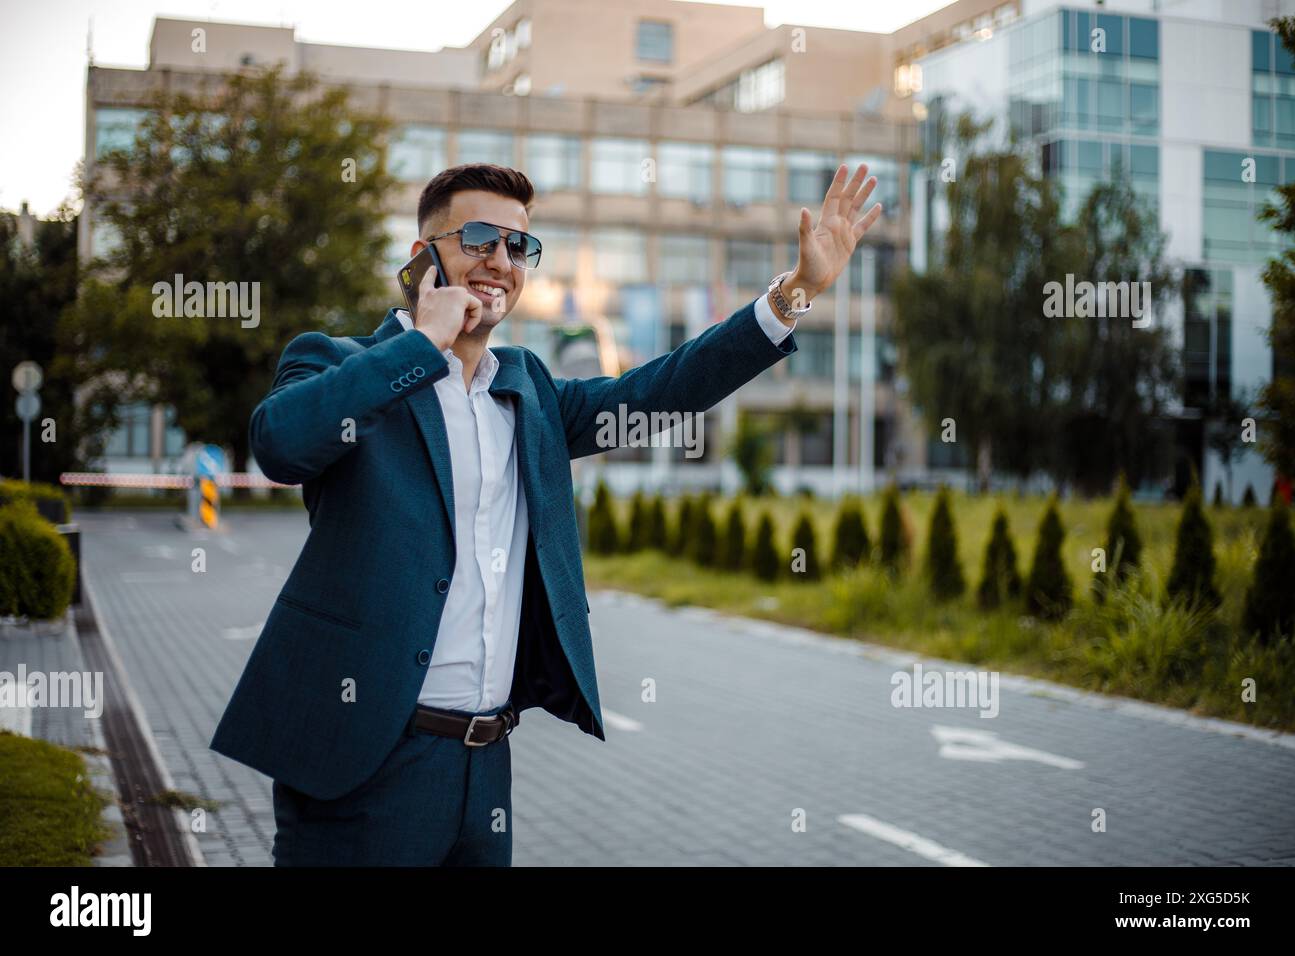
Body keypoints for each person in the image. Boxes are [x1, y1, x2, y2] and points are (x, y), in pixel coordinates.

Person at [210, 160, 882, 866]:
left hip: (485, 765)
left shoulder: (529, 391)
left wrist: (795, 292)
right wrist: (420, 345)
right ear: (421, 258)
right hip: (362, 762)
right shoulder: (342, 362)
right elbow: (281, 445)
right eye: (477, 238)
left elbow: (661, 393)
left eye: (517, 246)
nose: (500, 261)